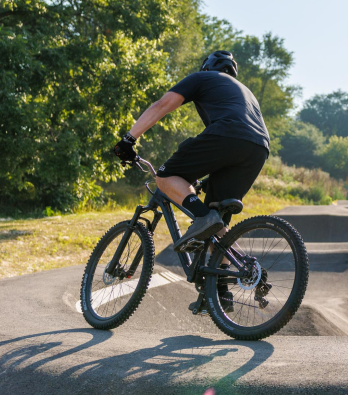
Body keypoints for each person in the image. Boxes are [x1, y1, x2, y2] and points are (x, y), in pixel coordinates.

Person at [112, 50, 270, 257]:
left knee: (166, 176)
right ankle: (220, 287)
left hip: (228, 135)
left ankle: (203, 217)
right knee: (218, 222)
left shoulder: (202, 77)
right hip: (259, 148)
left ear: (206, 68)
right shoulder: (245, 93)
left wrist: (128, 139)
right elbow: (233, 146)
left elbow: (162, 105)